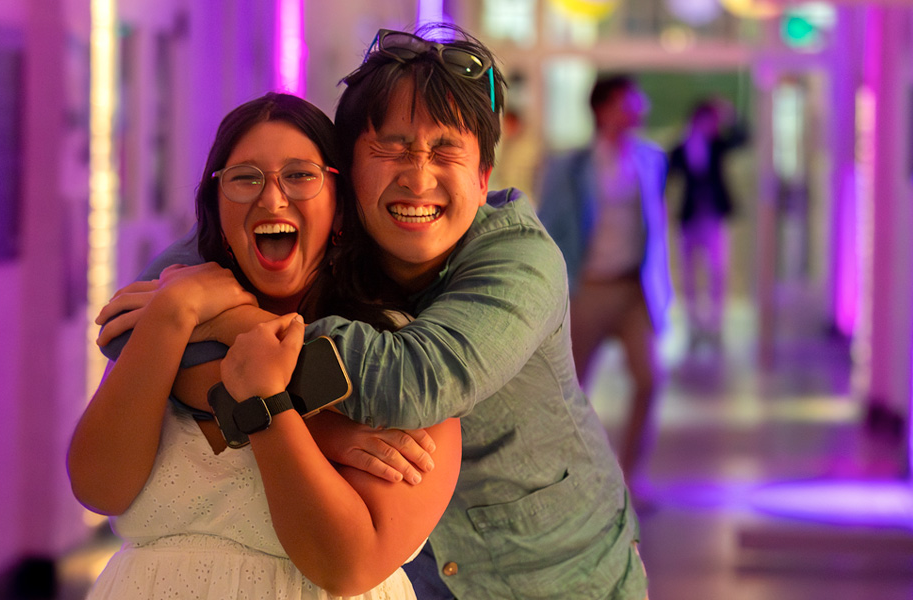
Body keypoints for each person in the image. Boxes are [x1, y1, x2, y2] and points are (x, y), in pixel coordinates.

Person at [101, 25, 648, 599]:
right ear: (346, 170)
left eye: (445, 151)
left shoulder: (519, 259)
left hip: (555, 574)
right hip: (412, 574)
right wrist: (185, 323)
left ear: (483, 177)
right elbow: (129, 328)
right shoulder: (319, 222)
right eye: (391, 148)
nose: (417, 177)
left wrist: (220, 320)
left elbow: (412, 384)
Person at [68, 92, 461, 599]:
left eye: (300, 175)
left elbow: (344, 566)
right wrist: (173, 313)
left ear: (341, 212)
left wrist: (271, 406)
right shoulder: (171, 322)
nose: (272, 199)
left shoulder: (399, 355)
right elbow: (99, 488)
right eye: (245, 178)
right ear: (216, 210)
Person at [537, 74, 672, 495]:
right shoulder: (571, 167)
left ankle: (632, 476)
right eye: (627, 101)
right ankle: (572, 480)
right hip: (587, 288)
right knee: (570, 390)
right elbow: (551, 227)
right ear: (602, 109)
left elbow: (655, 228)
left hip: (634, 290)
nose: (637, 109)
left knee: (650, 379)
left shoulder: (650, 160)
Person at [668, 97, 747, 348]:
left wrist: (730, 116)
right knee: (689, 272)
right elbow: (668, 172)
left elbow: (743, 137)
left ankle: (715, 321)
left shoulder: (718, 144)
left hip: (714, 216)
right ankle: (693, 321)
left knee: (717, 270)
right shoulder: (682, 147)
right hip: (691, 217)